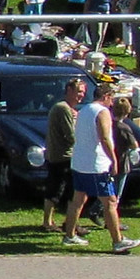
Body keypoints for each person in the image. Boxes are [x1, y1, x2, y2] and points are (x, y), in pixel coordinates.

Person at [62, 85, 140, 253]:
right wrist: (113, 159)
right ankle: (117, 241)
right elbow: (105, 138)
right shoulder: (102, 112)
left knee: (78, 199)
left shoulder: (84, 110)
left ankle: (69, 235)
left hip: (79, 162)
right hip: (95, 165)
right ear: (106, 96)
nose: (112, 103)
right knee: (110, 202)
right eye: (111, 98)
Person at [42, 78, 81, 231]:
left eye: (83, 93)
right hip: (63, 156)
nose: (81, 96)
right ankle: (50, 222)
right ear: (69, 90)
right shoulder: (63, 109)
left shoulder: (64, 108)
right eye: (78, 92)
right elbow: (70, 135)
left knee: (60, 189)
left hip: (58, 155)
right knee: (60, 190)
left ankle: (68, 222)